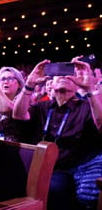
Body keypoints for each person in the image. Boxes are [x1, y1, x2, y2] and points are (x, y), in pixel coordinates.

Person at [13, 58, 102, 209]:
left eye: (68, 74)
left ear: (76, 83)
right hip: (38, 167)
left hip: (68, 171)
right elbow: (19, 114)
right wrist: (29, 84)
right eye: (58, 74)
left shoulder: (86, 107)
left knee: (52, 188)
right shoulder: (42, 107)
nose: (63, 76)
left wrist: (90, 89)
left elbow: (100, 124)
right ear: (51, 84)